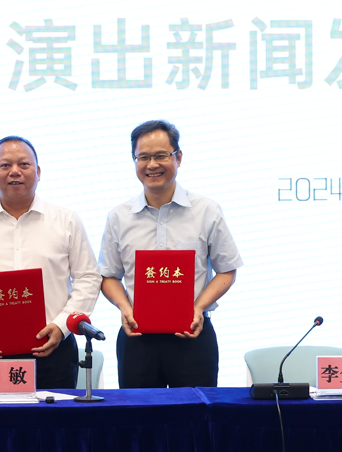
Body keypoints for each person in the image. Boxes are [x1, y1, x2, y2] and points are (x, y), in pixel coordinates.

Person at [0, 136, 101, 389]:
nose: (14, 171)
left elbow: (88, 277)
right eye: (5, 165)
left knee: (55, 415)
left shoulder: (66, 220)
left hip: (55, 350)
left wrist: (61, 326)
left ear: (38, 172)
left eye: (24, 164)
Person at [98, 120, 242, 388]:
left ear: (178, 157)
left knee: (195, 413)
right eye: (143, 157)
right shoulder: (119, 216)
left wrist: (198, 308)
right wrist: (125, 308)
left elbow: (227, 269)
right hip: (137, 339)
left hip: (193, 335)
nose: (152, 164)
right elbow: (108, 276)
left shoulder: (206, 210)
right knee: (139, 413)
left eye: (161, 155)